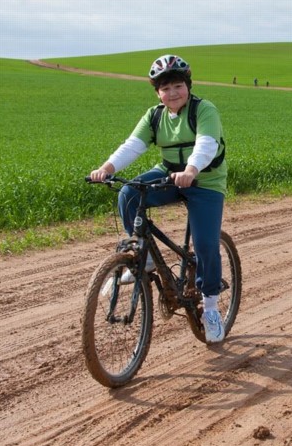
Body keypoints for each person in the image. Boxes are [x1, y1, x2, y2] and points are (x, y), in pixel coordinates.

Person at [89, 54, 228, 344]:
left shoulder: (204, 110)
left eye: (177, 85)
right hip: (168, 175)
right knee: (129, 194)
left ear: (187, 86)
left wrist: (191, 169)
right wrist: (106, 169)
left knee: (205, 244)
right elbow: (133, 145)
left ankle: (212, 308)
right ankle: (146, 257)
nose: (172, 93)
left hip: (205, 182)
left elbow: (206, 144)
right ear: (157, 93)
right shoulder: (155, 115)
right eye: (165, 89)